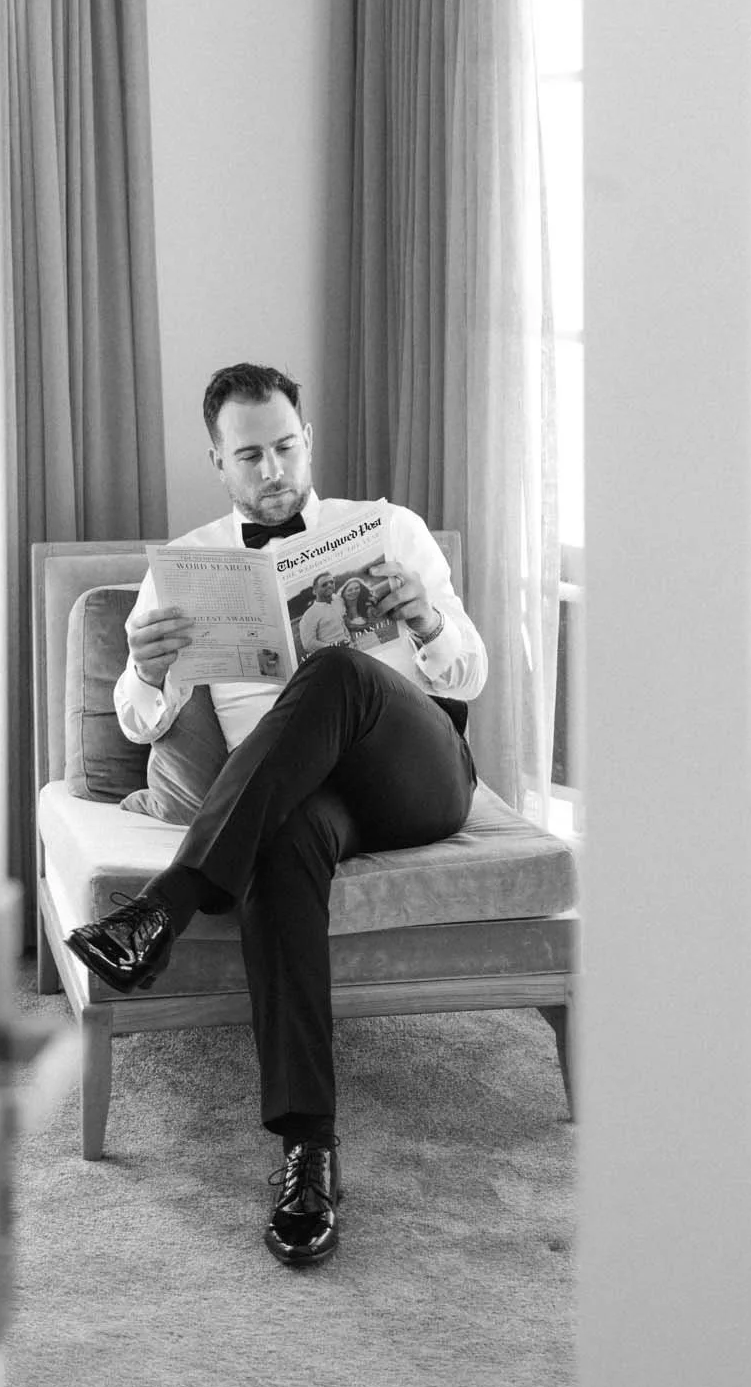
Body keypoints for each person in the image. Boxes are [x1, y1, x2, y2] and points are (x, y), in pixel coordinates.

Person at [66, 361, 486, 1268]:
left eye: (286, 447)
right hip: (308, 800)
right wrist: (143, 669)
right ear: (217, 462)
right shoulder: (186, 567)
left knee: (334, 670)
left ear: (307, 440)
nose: (273, 470)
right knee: (280, 840)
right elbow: (139, 723)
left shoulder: (388, 529)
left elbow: (469, 676)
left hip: (415, 780)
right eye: (250, 455)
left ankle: (164, 908)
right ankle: (308, 1150)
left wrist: (426, 625)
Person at [297, 570, 352, 654]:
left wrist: (348, 638)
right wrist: (333, 646)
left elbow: (342, 622)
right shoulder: (309, 615)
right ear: (314, 591)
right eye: (324, 584)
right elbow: (308, 644)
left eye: (331, 582)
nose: (329, 585)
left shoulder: (338, 600)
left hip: (349, 648)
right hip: (330, 654)